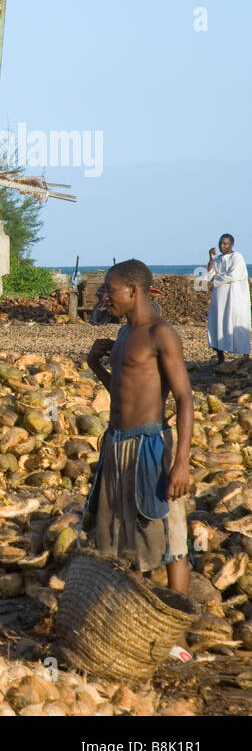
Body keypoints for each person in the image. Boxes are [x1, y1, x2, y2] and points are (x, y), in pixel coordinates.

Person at [84, 260, 192, 598]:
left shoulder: (161, 334)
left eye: (111, 290)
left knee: (169, 535)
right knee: (122, 533)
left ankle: (179, 627)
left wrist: (182, 463)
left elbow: (185, 398)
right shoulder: (124, 333)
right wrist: (94, 365)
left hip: (151, 443)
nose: (106, 298)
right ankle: (131, 606)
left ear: (134, 290)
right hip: (116, 443)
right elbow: (121, 392)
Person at [204, 233, 250, 364]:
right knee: (217, 324)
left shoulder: (237, 257)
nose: (222, 246)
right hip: (219, 299)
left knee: (236, 323)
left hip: (234, 297)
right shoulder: (218, 259)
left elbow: (234, 275)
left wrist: (216, 279)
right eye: (220, 243)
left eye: (225, 243)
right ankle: (220, 357)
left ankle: (244, 356)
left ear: (231, 245)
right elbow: (209, 275)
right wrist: (211, 259)